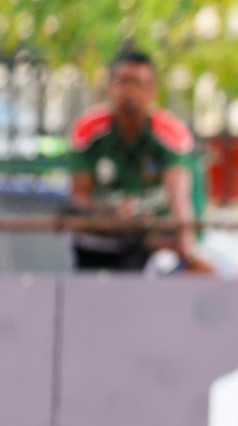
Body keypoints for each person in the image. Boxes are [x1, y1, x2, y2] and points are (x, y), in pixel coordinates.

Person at [66, 48, 211, 273]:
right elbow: (78, 197)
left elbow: (180, 202)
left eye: (138, 83)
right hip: (102, 243)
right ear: (110, 86)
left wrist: (189, 250)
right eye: (122, 82)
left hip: (153, 243)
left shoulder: (170, 134)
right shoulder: (89, 129)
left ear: (152, 90)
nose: (129, 91)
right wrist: (110, 214)